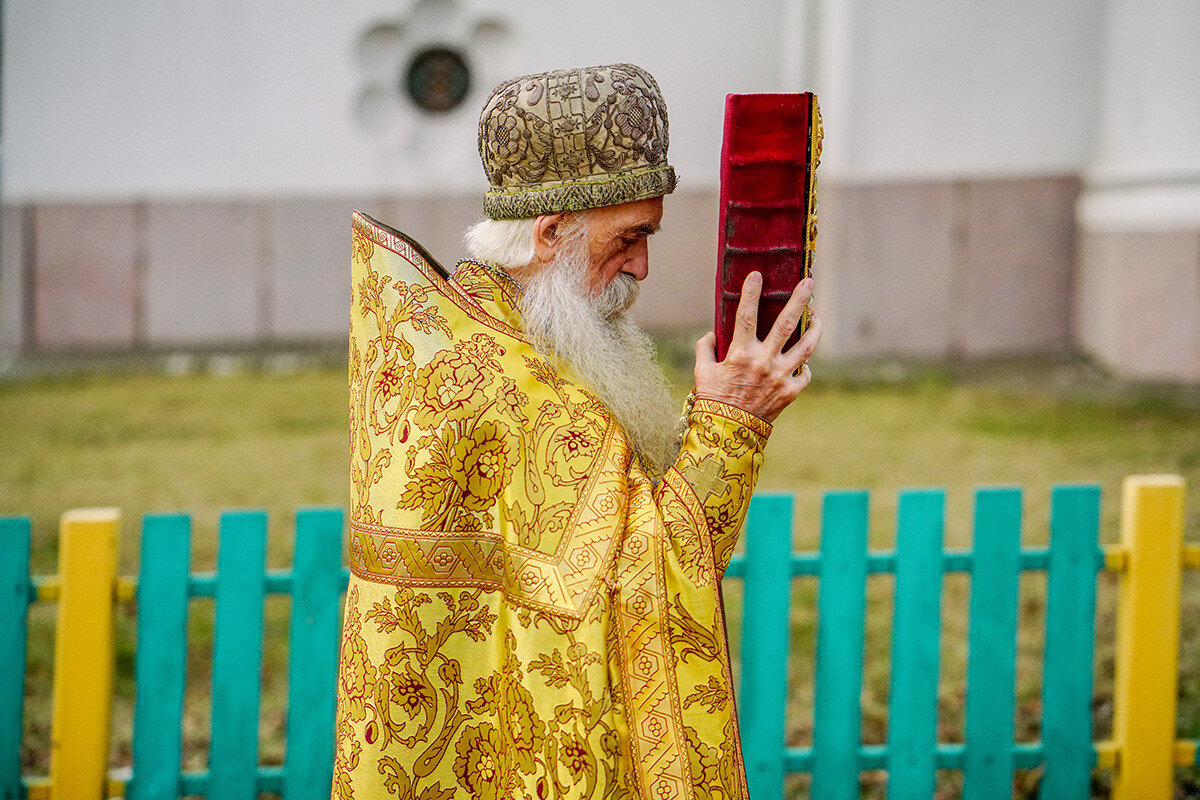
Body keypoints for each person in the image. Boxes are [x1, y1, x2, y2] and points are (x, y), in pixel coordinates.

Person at [334, 62, 821, 800]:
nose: (643, 266)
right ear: (551, 232)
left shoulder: (457, 332)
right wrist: (732, 425)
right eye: (629, 237)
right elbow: (642, 580)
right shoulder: (517, 386)